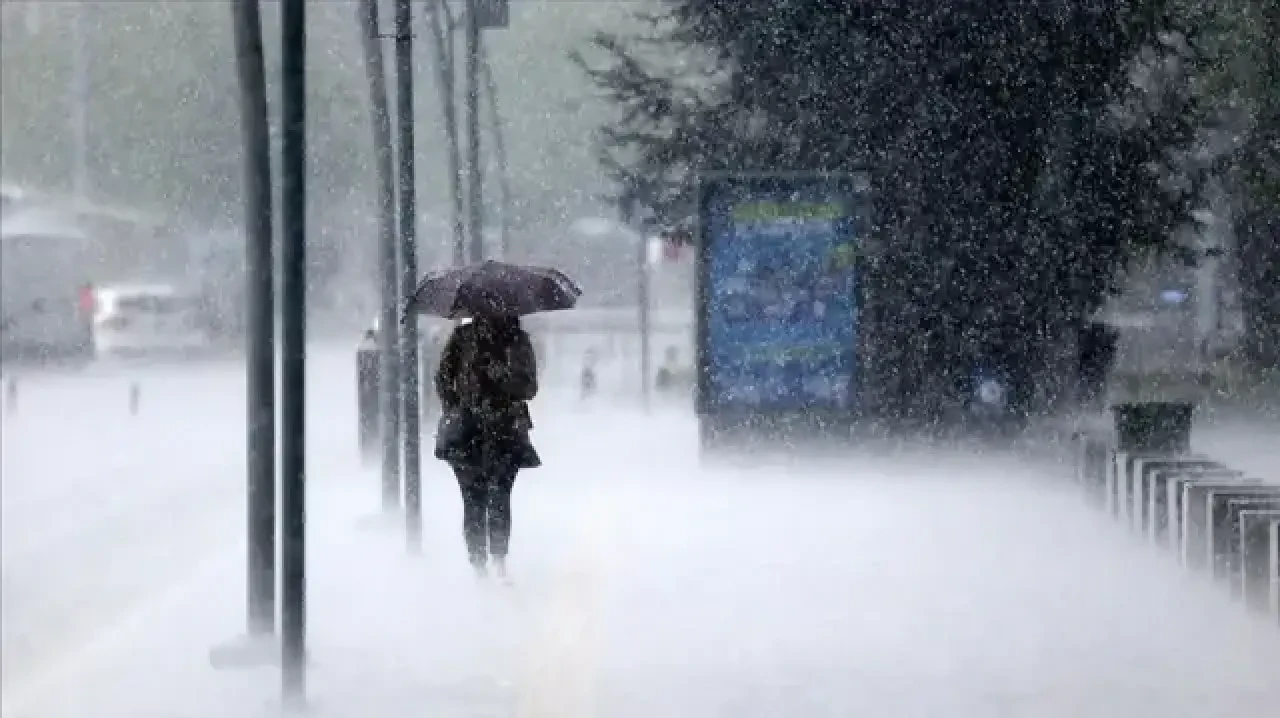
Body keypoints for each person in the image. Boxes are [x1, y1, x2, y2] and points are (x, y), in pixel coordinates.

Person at [434, 315, 540, 579]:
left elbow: (529, 387)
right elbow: (443, 379)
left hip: (504, 430)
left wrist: (500, 375)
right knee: (473, 498)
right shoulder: (462, 338)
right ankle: (479, 563)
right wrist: (457, 405)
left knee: (499, 496)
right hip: (468, 431)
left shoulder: (516, 340)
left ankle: (498, 560)